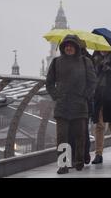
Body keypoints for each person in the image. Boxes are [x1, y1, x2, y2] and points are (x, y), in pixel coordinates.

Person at [46, 34, 97, 174]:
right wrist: (56, 96)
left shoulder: (86, 62)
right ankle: (63, 164)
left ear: (76, 47)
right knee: (62, 136)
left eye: (71, 45)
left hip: (80, 105)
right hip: (62, 106)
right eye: (66, 45)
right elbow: (49, 83)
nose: (69, 48)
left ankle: (79, 161)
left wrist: (85, 95)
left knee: (79, 135)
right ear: (63, 47)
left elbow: (93, 82)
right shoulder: (56, 62)